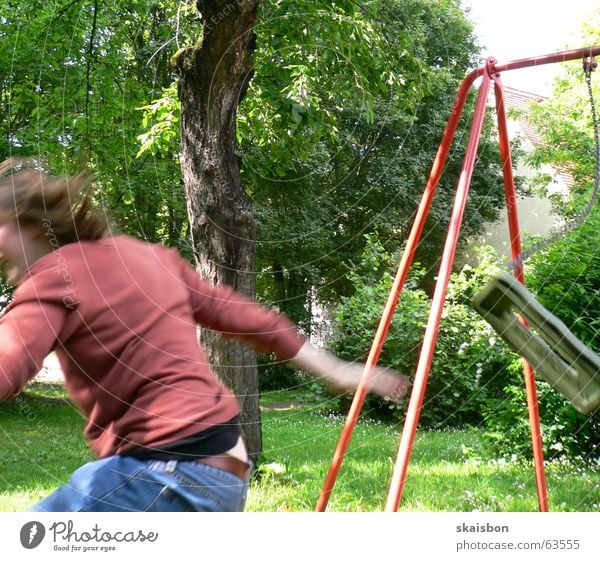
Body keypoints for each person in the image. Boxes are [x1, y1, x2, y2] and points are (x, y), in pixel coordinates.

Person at [0, 158, 408, 512]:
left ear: (30, 226)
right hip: (225, 471)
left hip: (163, 473)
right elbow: (247, 317)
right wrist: (334, 369)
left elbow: (9, 359)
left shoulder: (53, 279)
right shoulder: (148, 257)